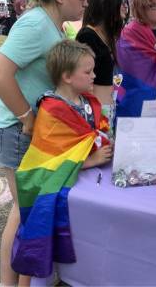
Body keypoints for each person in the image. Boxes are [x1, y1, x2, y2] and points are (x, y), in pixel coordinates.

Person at [0, 0, 88, 287]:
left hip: (35, 131)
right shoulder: (34, 24)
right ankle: (8, 283)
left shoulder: (55, 27)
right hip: (17, 130)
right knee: (22, 213)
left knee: (28, 212)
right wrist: (26, 118)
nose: (85, 4)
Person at [11, 39, 113, 277]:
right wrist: (89, 160)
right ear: (67, 76)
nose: (94, 75)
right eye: (88, 72)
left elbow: (96, 133)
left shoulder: (88, 101)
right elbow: (48, 158)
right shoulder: (51, 109)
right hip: (65, 184)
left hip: (87, 184)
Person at [76, 0, 128, 113]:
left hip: (108, 108)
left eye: (125, 1)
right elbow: (82, 80)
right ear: (106, 3)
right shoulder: (87, 36)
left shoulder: (108, 36)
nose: (125, 6)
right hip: (96, 111)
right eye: (121, 1)